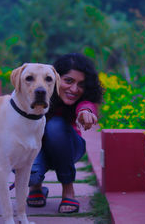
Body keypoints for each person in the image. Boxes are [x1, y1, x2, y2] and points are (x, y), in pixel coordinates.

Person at [26, 52, 103, 214]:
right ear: (54, 78)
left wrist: (86, 112)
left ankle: (68, 190)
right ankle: (35, 185)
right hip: (36, 150)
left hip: (68, 147)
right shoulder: (37, 94)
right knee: (32, 135)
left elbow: (87, 105)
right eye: (68, 81)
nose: (74, 89)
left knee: (54, 126)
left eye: (81, 84)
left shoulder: (82, 99)